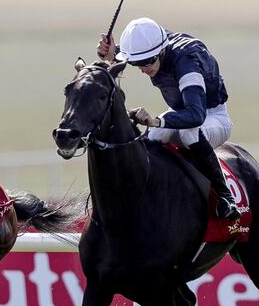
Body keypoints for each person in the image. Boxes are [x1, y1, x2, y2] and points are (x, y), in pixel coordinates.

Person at [97, 17, 241, 220]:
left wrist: (156, 120)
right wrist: (111, 54)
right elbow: (133, 51)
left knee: (186, 132)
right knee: (151, 138)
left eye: (147, 62)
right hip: (182, 115)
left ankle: (226, 197)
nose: (143, 69)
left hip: (211, 117)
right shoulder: (154, 45)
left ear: (162, 51)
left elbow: (196, 115)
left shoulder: (186, 60)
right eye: (137, 64)